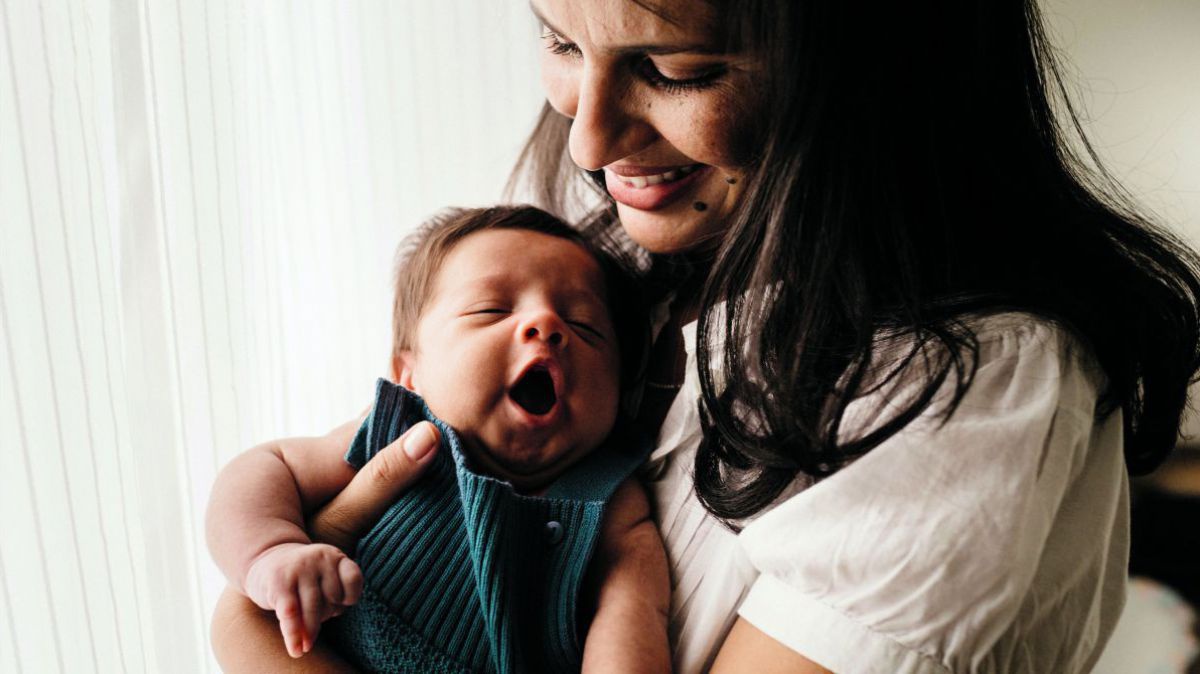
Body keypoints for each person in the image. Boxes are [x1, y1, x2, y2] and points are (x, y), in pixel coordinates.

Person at [212, 1, 1200, 672]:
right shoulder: (631, 275)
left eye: (676, 66)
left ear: (877, 68)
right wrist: (263, 572)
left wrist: (249, 632)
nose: (588, 143)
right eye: (558, 38)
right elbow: (295, 485)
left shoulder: (967, 391)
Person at [207, 207, 669, 673]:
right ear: (409, 373)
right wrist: (272, 551)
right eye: (491, 309)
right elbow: (268, 466)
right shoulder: (398, 434)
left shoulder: (610, 499)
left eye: (585, 325)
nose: (547, 325)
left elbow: (632, 611)